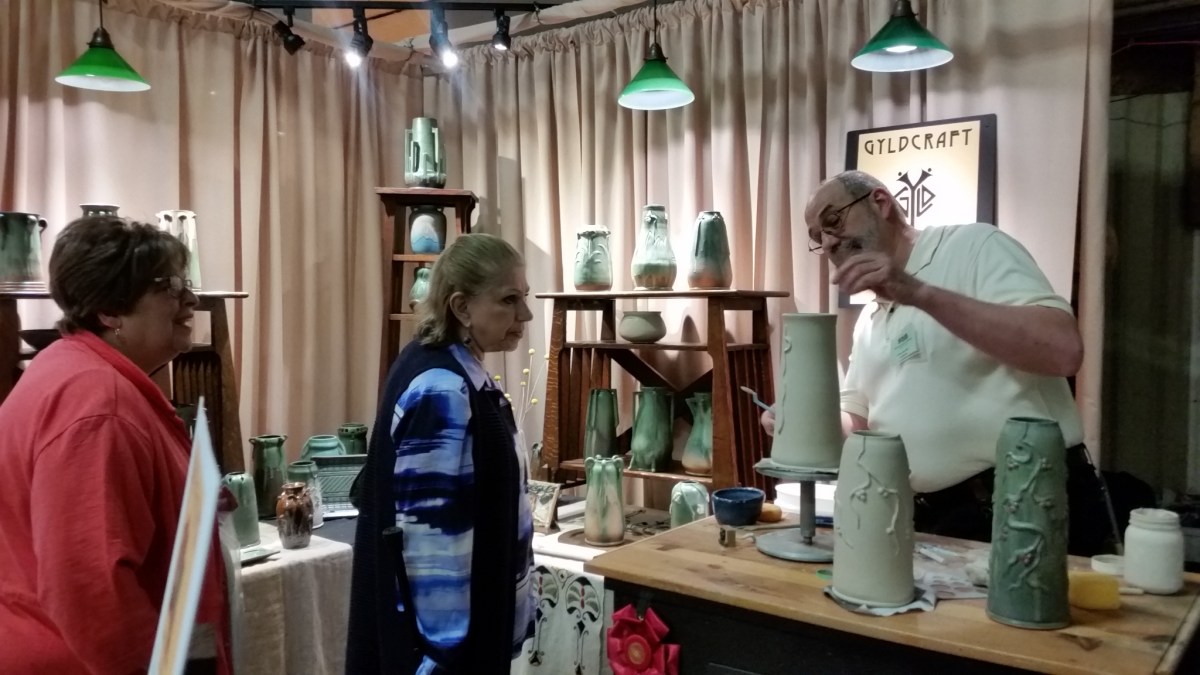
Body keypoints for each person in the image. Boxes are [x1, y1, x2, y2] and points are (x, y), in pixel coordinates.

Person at [762, 170, 1113, 556]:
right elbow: (858, 423)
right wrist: (800, 421)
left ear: (880, 203)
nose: (828, 241)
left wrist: (917, 293)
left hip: (1026, 503)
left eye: (833, 220)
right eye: (818, 236)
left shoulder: (974, 247)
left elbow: (1063, 350)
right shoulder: (870, 321)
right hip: (935, 520)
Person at [0, 216, 232, 674]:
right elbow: (89, 585)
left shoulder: (78, 374)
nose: (191, 299)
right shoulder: (97, 404)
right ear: (110, 310)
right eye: (171, 286)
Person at [347, 233, 536, 674]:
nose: (524, 314)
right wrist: (443, 659)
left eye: (523, 297)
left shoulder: (445, 368)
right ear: (462, 307)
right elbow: (431, 552)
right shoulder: (442, 388)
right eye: (509, 300)